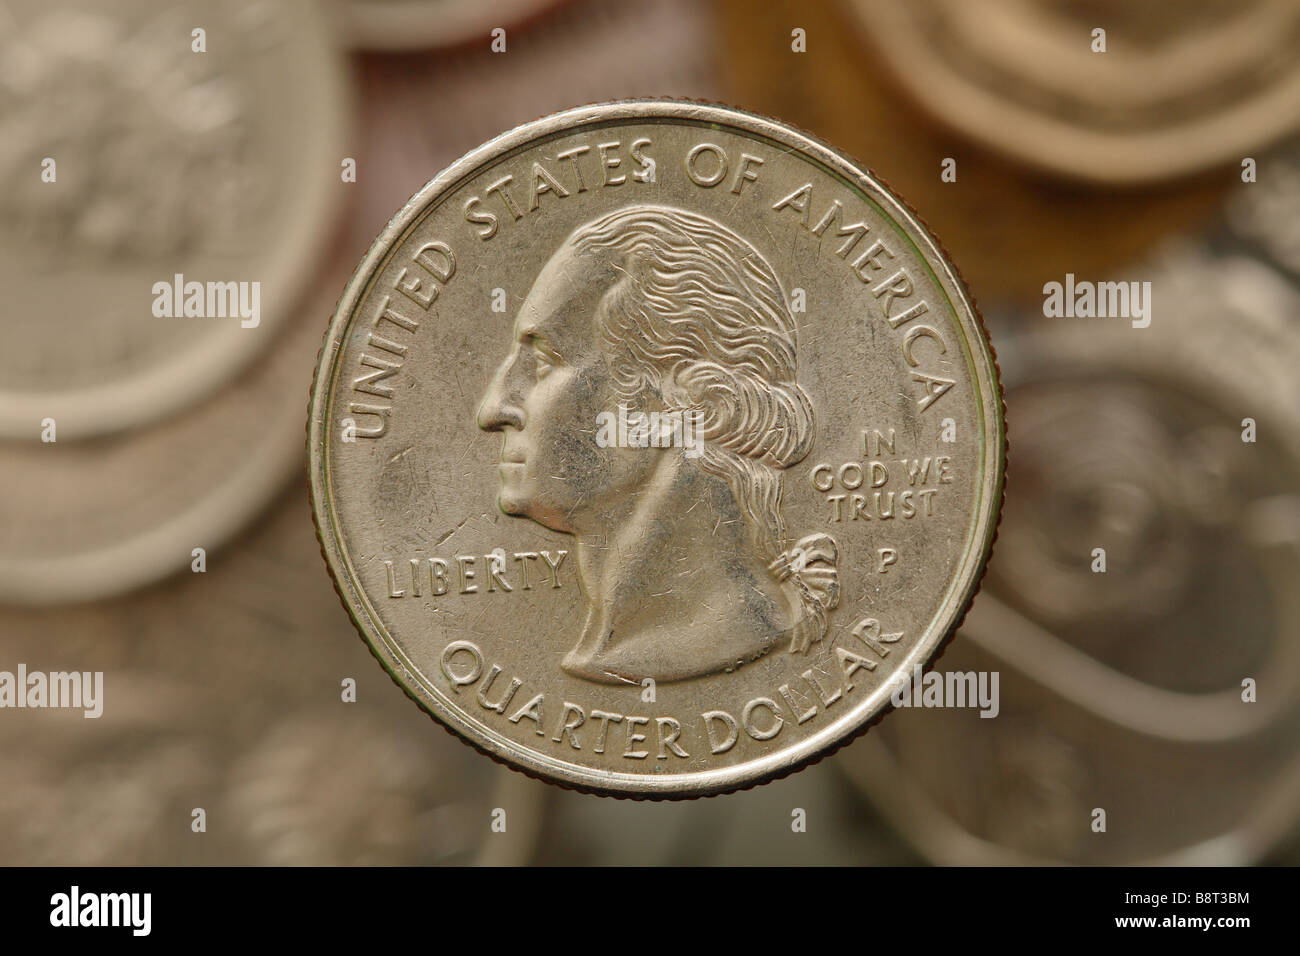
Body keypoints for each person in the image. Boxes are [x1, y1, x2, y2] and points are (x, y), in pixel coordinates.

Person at [477, 204, 838, 684]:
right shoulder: (623, 649)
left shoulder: (721, 635)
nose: (495, 409)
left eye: (544, 361)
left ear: (682, 400)